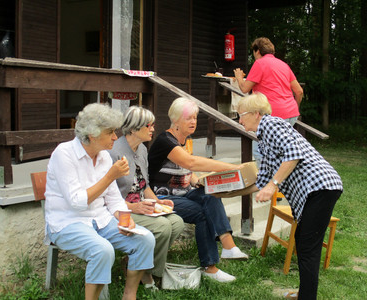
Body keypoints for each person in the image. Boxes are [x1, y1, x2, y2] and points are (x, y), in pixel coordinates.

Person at [236, 93, 343, 300]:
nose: (239, 120)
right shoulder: (264, 138)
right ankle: (305, 293)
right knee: (302, 240)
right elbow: (262, 180)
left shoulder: (273, 124)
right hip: (315, 191)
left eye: (241, 115)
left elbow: (293, 154)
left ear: (256, 114)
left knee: (307, 247)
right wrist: (226, 191)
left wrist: (273, 185)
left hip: (320, 187)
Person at [44, 103, 155, 300]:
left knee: (145, 239)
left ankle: (129, 296)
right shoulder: (64, 154)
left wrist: (123, 218)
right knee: (102, 250)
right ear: (93, 135)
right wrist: (110, 176)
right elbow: (77, 202)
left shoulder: (103, 155)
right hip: (67, 222)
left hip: (100, 219)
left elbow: (113, 198)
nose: (115, 136)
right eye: (110, 132)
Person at [147, 97, 249, 283]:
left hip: (184, 192)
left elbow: (185, 169)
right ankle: (210, 267)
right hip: (161, 197)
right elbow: (190, 162)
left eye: (195, 117)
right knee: (202, 213)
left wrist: (196, 181)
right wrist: (231, 167)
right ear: (176, 120)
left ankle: (227, 246)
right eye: (188, 118)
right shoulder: (165, 140)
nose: (193, 121)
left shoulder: (184, 140)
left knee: (210, 195)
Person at [109, 106, 185, 290]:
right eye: (148, 125)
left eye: (153, 125)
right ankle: (150, 274)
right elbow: (108, 196)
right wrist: (133, 207)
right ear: (134, 128)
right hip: (121, 210)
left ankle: (141, 266)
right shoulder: (114, 152)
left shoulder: (142, 149)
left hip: (141, 205)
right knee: (163, 227)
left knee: (177, 222)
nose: (153, 129)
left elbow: (145, 185)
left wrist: (158, 202)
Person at [233, 37, 304, 166]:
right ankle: (282, 181)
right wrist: (295, 108)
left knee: (260, 151)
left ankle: (270, 182)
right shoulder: (284, 65)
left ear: (258, 51)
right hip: (291, 114)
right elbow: (299, 91)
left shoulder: (259, 63)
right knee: (281, 151)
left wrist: (239, 78)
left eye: (254, 53)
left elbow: (244, 88)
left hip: (271, 115)